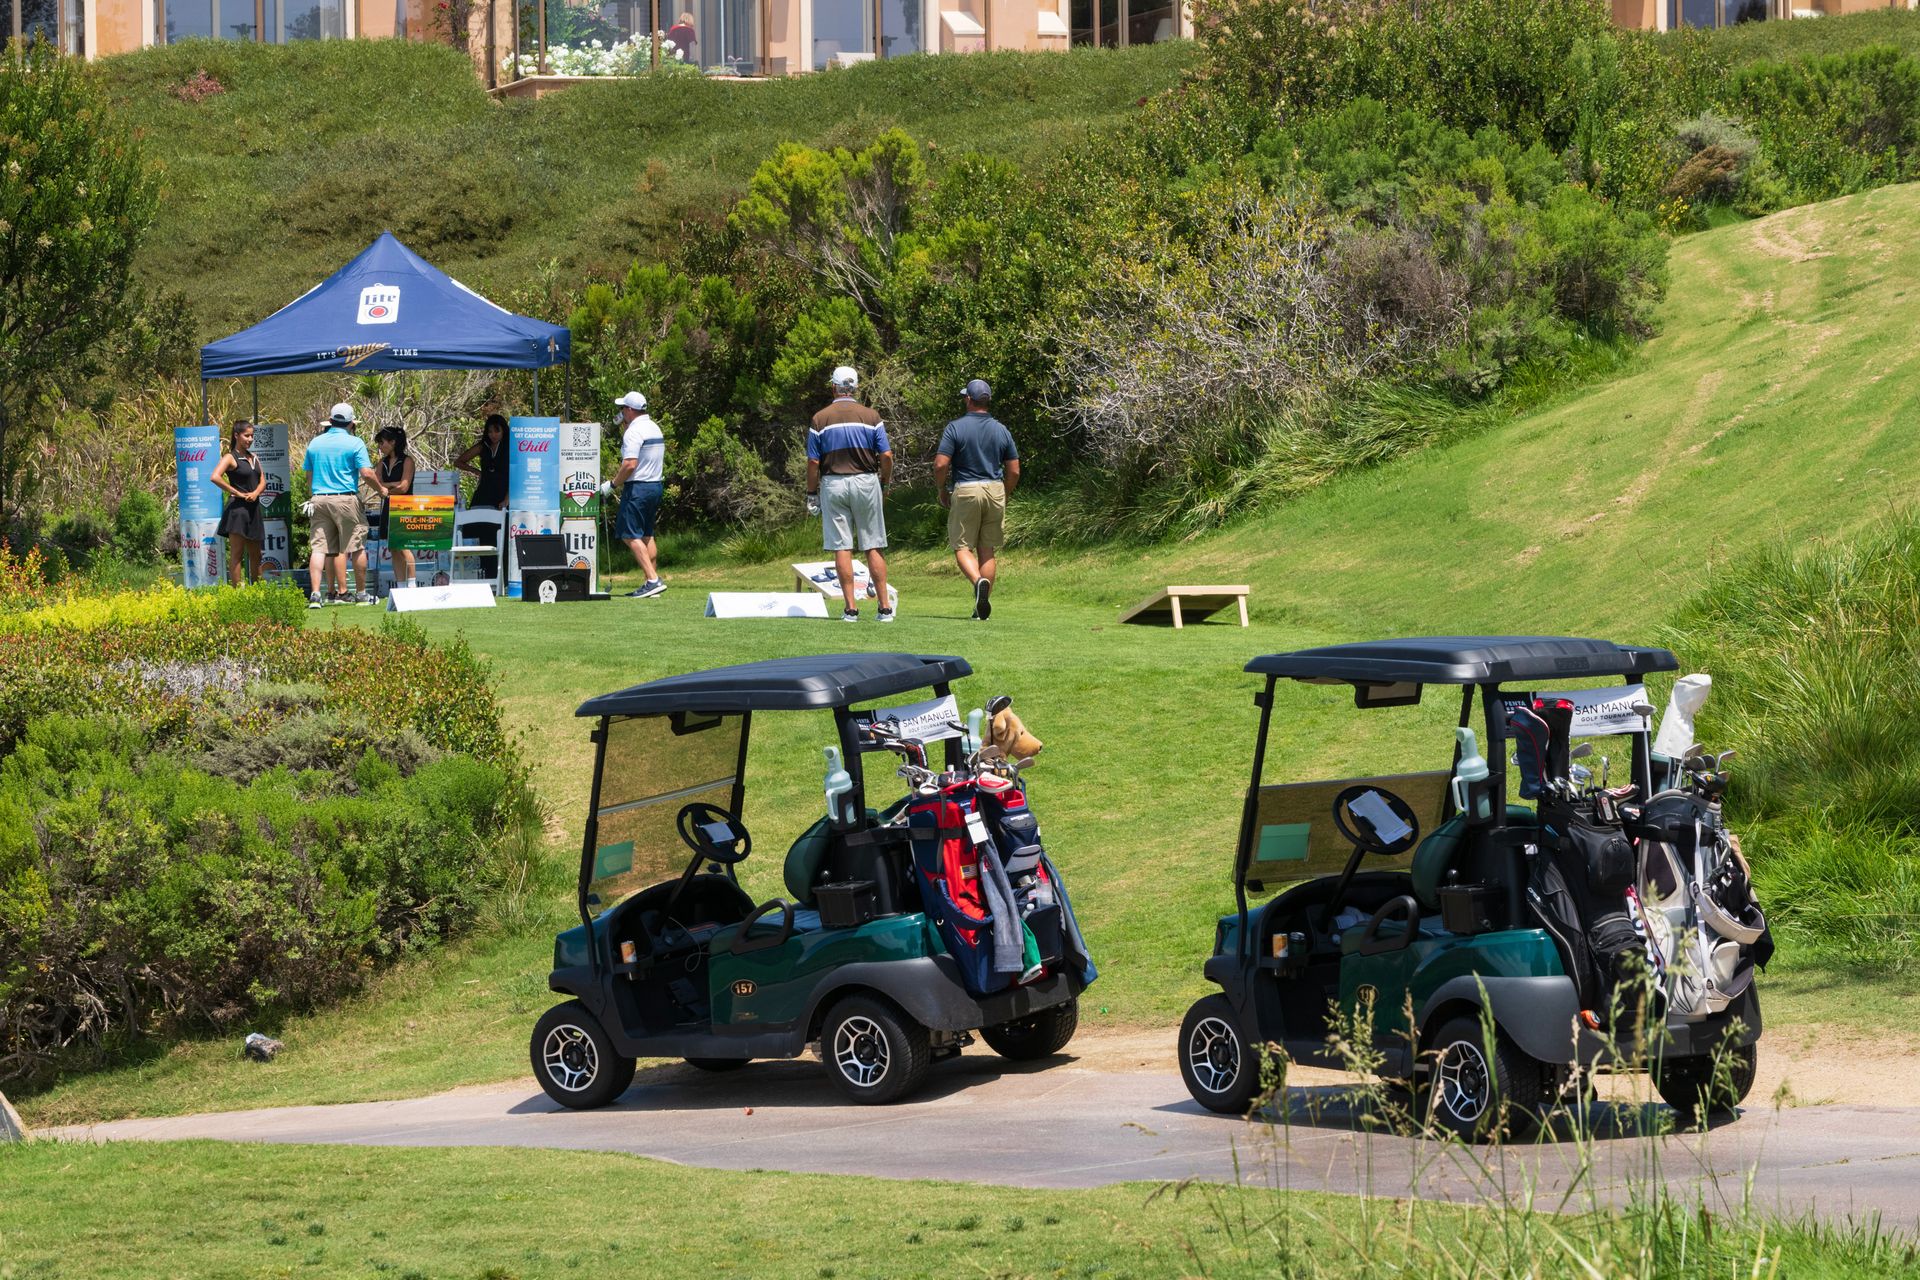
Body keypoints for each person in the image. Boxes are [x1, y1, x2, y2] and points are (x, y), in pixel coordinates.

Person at [806, 365, 893, 623]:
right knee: (873, 544)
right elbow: (886, 455)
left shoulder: (820, 419)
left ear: (833, 387)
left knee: (842, 547)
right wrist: (884, 482)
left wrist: (811, 493)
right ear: (855, 388)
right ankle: (885, 608)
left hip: (833, 483)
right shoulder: (872, 416)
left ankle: (851, 610)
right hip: (866, 482)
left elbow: (813, 463)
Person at [935, 378, 1020, 621]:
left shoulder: (955, 427)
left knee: (962, 546)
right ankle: (980, 609)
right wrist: (1004, 492)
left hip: (967, 489)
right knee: (987, 549)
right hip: (994, 488)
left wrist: (941, 488)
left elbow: (941, 464)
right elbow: (1014, 470)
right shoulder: (1001, 429)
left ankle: (977, 581)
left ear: (969, 400)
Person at [303, 402, 387, 608]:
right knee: (356, 546)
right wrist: (381, 490)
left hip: (319, 498)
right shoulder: (354, 442)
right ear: (351, 423)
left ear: (330, 421)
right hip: (345, 498)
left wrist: (314, 495)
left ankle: (315, 595)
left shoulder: (315, 443)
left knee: (319, 548)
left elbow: (309, 476)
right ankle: (361, 594)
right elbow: (366, 473)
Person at [608, 391, 666, 598]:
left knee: (628, 534)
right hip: (655, 485)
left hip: (638, 488)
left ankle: (652, 579)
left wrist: (613, 484)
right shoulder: (653, 427)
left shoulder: (633, 432)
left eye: (623, 409)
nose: (621, 412)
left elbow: (630, 464)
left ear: (630, 410)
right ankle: (652, 584)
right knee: (646, 534)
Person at [454, 413, 510, 582]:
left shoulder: (510, 447)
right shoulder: (483, 445)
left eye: (497, 431)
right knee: (483, 533)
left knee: (501, 534)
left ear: (503, 431)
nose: (493, 435)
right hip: (483, 493)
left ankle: (504, 578)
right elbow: (459, 461)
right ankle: (488, 574)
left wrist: (507, 498)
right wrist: (477, 472)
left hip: (502, 493)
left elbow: (515, 474)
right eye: (490, 431)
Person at [210, 420, 266, 587]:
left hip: (253, 509)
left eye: (252, 436)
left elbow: (262, 480)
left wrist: (256, 493)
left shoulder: (253, 457)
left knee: (257, 555)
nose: (250, 439)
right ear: (236, 435)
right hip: (238, 511)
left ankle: (258, 590)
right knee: (237, 554)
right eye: (246, 436)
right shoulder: (230, 457)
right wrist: (234, 491)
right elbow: (215, 477)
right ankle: (238, 593)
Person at [373, 426, 416, 595]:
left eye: (382, 442)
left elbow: (404, 487)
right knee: (393, 547)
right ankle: (401, 587)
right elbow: (377, 483)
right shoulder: (381, 463)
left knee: (403, 546)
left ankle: (412, 585)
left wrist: (386, 487)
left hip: (404, 507)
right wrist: (390, 486)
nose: (380, 446)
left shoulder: (407, 461)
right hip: (388, 507)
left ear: (393, 442)